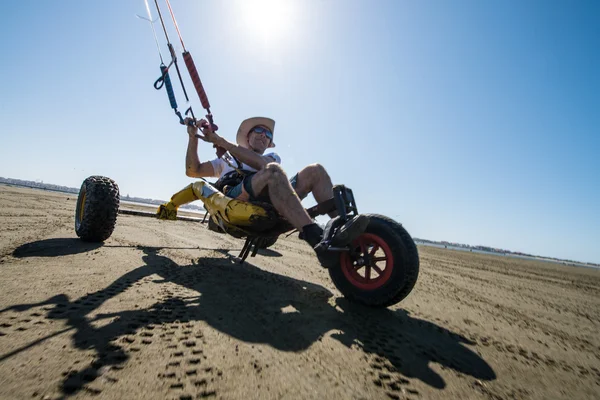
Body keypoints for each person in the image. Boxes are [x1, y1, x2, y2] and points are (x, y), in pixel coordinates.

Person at [157, 116, 368, 267]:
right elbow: (192, 171)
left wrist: (221, 141)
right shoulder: (225, 162)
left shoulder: (272, 158)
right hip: (236, 197)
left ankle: (345, 233)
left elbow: (262, 166)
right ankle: (316, 238)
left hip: (270, 194)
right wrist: (193, 136)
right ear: (247, 137)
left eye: (267, 134)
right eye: (258, 130)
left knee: (316, 170)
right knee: (273, 173)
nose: (263, 135)